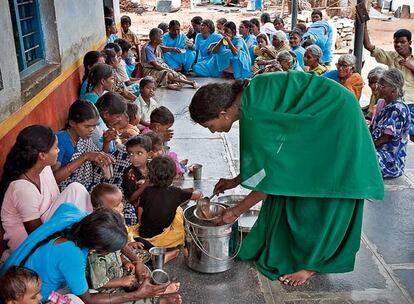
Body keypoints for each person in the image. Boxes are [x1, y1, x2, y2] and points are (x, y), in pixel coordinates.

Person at [189, 73, 383, 286]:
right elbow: (274, 155)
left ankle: (311, 264)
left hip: (334, 119)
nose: (213, 131)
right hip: (323, 113)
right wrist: (236, 180)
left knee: (323, 190)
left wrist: (234, 212)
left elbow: (273, 175)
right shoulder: (249, 95)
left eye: (210, 126)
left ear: (223, 113)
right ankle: (294, 248)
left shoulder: (252, 112)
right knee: (292, 184)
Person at [1, 205, 171, 303]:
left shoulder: (76, 215)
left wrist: (136, 261)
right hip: (24, 291)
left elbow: (110, 234)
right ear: (95, 250)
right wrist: (136, 295)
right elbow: (88, 300)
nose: (119, 251)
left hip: (12, 271)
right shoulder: (72, 256)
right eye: (111, 250)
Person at [0, 125, 92, 259]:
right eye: (55, 147)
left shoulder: (44, 169)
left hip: (46, 227)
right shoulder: (22, 189)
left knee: (76, 189)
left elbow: (57, 203)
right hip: (28, 245)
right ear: (42, 155)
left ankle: (89, 233)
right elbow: (38, 237)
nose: (58, 150)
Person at [138, 156, 201, 248]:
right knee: (179, 211)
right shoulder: (176, 192)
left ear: (150, 175)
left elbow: (140, 209)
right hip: (164, 234)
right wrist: (199, 191)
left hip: (144, 234)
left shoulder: (146, 191)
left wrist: (140, 222)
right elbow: (196, 195)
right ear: (174, 175)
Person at [363, 26, 414, 141]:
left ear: (410, 42)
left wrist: (410, 66)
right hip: (395, 102)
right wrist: (364, 25)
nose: (399, 45)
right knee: (390, 134)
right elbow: (369, 46)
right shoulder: (391, 57)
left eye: (402, 42)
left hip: (411, 102)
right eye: (396, 42)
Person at [52, 100, 114, 185]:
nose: (92, 130)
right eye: (87, 126)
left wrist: (106, 141)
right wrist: (84, 157)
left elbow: (97, 159)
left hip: (86, 181)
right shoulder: (61, 140)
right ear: (72, 123)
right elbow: (53, 179)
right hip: (70, 189)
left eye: (94, 125)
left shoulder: (83, 137)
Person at [370, 69, 411, 178]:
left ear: (393, 89)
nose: (378, 87)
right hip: (377, 150)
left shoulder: (397, 109)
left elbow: (386, 138)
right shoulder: (381, 103)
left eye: (382, 86)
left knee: (359, 159)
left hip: (389, 159)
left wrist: (367, 147)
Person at [122, 135, 152, 226]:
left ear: (149, 154)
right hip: (137, 206)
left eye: (139, 153)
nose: (134, 158)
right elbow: (131, 198)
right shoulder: (130, 172)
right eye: (131, 154)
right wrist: (145, 184)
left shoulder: (153, 167)